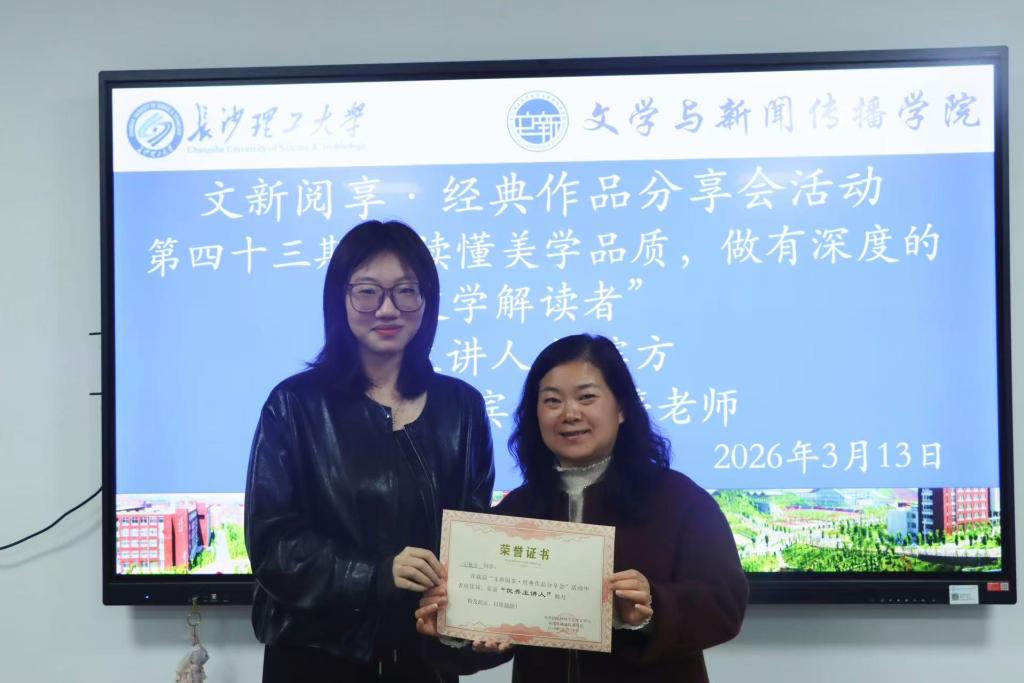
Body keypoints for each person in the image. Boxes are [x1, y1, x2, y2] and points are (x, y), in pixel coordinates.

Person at [245, 219, 495, 683]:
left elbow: (475, 534)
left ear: (427, 300)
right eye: (367, 292)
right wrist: (375, 575)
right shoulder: (294, 404)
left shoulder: (462, 408)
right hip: (316, 658)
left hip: (422, 660)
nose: (387, 308)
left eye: (406, 291)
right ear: (339, 299)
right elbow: (273, 545)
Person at [416, 334, 747, 682]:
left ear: (621, 408)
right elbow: (487, 638)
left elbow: (725, 605)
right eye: (552, 400)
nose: (570, 413)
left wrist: (652, 606)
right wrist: (454, 627)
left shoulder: (679, 498)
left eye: (587, 397)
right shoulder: (517, 509)